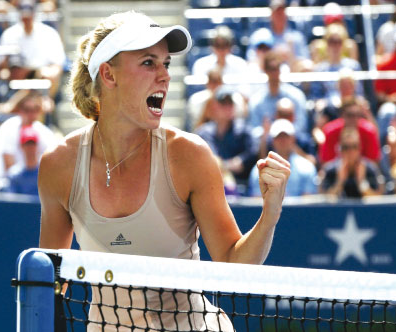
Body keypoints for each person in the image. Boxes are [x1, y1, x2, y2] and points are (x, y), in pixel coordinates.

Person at [37, 11, 291, 332]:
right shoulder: (59, 164)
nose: (165, 76)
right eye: (148, 63)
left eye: (166, 63)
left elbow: (232, 265)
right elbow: (50, 279)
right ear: (109, 75)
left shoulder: (189, 155)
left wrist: (270, 213)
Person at [0, 0, 66, 98]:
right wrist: (12, 72)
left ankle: (45, 101)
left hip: (40, 76)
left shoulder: (49, 33)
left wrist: (44, 73)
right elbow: (1, 67)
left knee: (48, 75)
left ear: (34, 14)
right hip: (15, 79)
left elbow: (58, 65)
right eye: (24, 15)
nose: (26, 19)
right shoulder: (9, 34)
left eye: (29, 15)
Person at [0, 90, 56, 189]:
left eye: (36, 109)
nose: (31, 114)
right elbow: (8, 166)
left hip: (36, 184)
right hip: (8, 184)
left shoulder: (46, 133)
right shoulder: (8, 128)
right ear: (19, 110)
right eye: (27, 109)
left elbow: (50, 165)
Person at [195, 86, 259, 184]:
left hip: (241, 187)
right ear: (215, 106)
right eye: (223, 103)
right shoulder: (204, 132)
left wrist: (241, 161)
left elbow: (254, 151)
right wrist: (226, 166)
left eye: (230, 103)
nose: (228, 107)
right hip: (210, 184)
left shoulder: (244, 130)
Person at [249, 119, 316, 197]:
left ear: (293, 139)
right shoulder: (260, 168)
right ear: (273, 141)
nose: (282, 141)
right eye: (278, 137)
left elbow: (308, 201)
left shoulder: (307, 167)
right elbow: (257, 200)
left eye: (286, 137)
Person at [247, 51, 308, 135]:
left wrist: (283, 135)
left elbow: (300, 126)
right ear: (265, 70)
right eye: (270, 69)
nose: (274, 73)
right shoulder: (256, 100)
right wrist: (269, 133)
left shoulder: (296, 96)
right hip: (266, 144)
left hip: (292, 142)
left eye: (276, 68)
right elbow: (254, 130)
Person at [245, 0, 310, 71]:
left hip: (291, 78)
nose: (279, 15)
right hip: (265, 78)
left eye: (281, 12)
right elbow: (251, 61)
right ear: (271, 15)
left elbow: (304, 62)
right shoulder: (259, 36)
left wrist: (290, 56)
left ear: (285, 14)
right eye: (276, 12)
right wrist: (271, 56)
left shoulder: (297, 37)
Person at [319, 127, 384, 198]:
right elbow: (325, 201)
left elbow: (377, 200)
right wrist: (339, 182)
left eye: (354, 146)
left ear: (360, 148)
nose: (351, 151)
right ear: (340, 149)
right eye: (346, 147)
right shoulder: (330, 170)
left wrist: (361, 183)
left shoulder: (370, 169)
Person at [319, 97, 380, 165]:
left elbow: (373, 162)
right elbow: (326, 163)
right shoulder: (330, 131)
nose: (354, 119)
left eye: (358, 115)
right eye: (350, 115)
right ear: (342, 115)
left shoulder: (369, 131)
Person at [6, 125, 41, 196]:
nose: (30, 148)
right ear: (21, 146)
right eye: (27, 144)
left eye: (33, 144)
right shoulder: (14, 174)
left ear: (37, 145)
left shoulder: (46, 174)